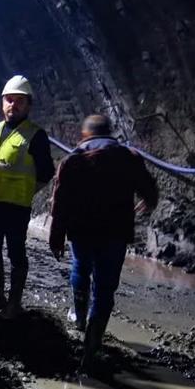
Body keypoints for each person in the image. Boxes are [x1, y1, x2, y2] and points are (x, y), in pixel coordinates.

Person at [49, 114, 158, 371]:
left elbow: (59, 203)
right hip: (115, 233)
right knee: (105, 288)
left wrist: (56, 236)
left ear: (85, 134)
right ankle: (92, 344)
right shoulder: (129, 157)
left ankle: (79, 318)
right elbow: (149, 191)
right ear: (110, 133)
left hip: (82, 231)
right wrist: (146, 203)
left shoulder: (73, 160)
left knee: (80, 268)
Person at [0, 76, 55, 318]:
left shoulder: (35, 135)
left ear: (28, 105)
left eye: (20, 101)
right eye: (9, 100)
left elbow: (46, 172)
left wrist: (26, 190)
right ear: (2, 102)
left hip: (16, 207)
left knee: (16, 254)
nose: (13, 105)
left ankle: (14, 303)